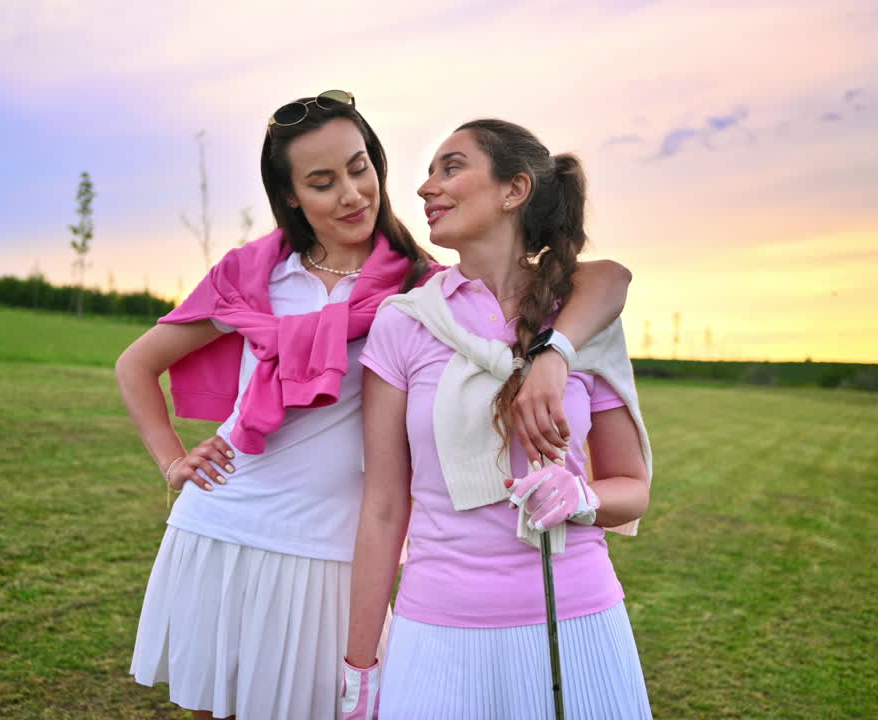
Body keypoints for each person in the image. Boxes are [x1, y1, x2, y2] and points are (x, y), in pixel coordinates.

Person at [115, 92, 633, 720]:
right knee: (216, 709)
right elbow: (136, 364)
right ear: (291, 197)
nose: (352, 194)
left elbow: (603, 280)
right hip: (226, 522)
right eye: (322, 181)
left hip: (331, 543)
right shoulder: (252, 274)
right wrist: (173, 462)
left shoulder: (420, 288)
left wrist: (553, 351)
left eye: (360, 168)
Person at [343, 118, 654, 719]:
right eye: (430, 171)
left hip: (579, 621)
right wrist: (360, 668)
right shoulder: (403, 322)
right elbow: (383, 508)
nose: (426, 187)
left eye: (451, 167)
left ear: (513, 191)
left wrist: (581, 496)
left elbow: (634, 489)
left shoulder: (581, 317)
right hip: (437, 632)